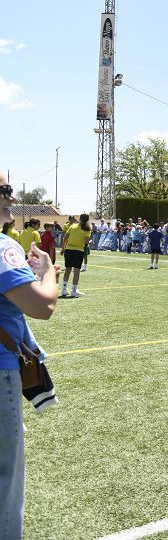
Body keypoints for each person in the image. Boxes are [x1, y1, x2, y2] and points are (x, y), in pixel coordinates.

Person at [0, 175, 59, 540]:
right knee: (6, 484)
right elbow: (42, 305)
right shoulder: (4, 247)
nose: (12, 196)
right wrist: (49, 269)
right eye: (4, 190)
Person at [59, 214, 91, 298]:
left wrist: (63, 248)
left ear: (79, 219)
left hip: (69, 249)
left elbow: (65, 238)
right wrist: (90, 241)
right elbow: (86, 242)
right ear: (87, 220)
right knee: (76, 271)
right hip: (78, 251)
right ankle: (74, 290)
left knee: (67, 270)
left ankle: (64, 289)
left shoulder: (72, 226)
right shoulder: (87, 229)